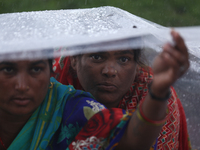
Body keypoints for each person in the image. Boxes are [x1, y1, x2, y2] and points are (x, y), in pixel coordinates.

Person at [53, 30, 191, 150]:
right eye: (97, 57)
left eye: (124, 59)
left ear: (137, 66)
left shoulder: (154, 95)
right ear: (74, 60)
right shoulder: (55, 83)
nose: (110, 71)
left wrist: (158, 94)